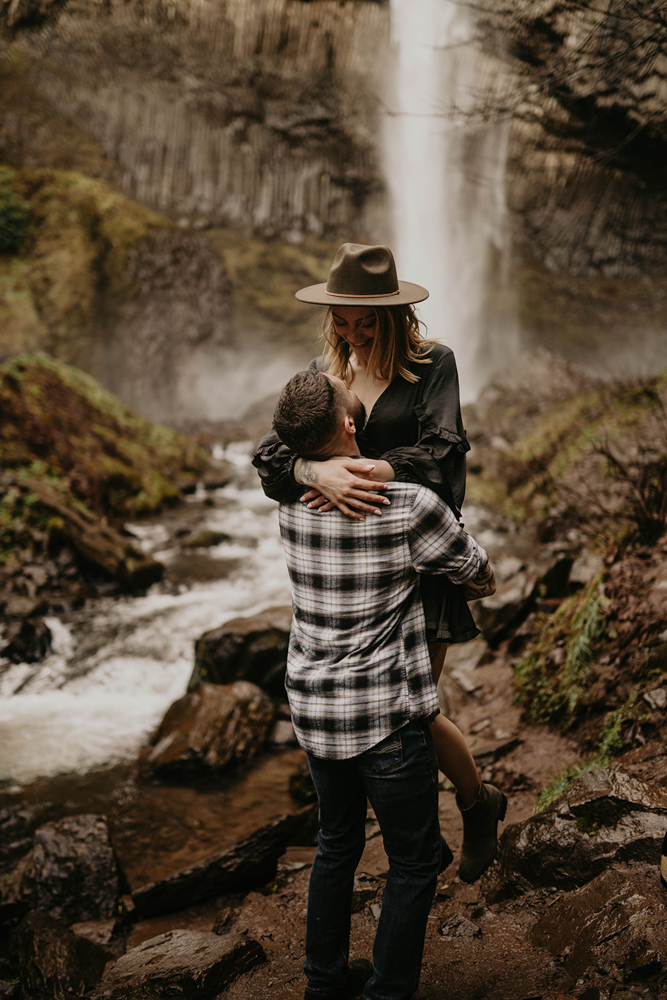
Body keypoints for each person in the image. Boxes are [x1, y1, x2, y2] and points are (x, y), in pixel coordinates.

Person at [253, 242, 505, 883]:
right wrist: (316, 469)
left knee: (415, 707)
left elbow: (447, 454)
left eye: (366, 323)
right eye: (343, 320)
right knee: (404, 711)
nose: (352, 334)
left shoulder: (433, 365)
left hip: (419, 560)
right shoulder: (324, 371)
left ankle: (468, 812)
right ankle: (432, 834)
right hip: (355, 572)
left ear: (395, 317)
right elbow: (270, 458)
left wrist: (372, 472)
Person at [271, 368, 498, 1000]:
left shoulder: (289, 502)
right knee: (415, 861)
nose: (351, 383)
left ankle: (322, 982)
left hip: (314, 710)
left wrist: (306, 471)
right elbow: (480, 573)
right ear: (350, 425)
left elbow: (282, 467)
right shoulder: (408, 507)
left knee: (336, 842)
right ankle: (386, 992)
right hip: (384, 718)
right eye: (349, 396)